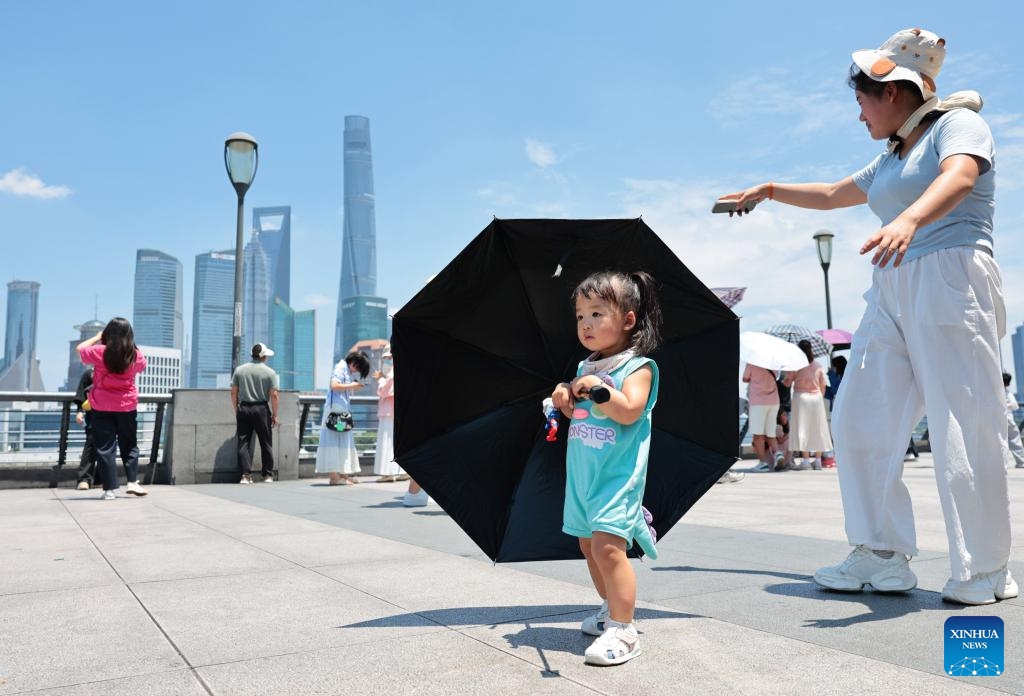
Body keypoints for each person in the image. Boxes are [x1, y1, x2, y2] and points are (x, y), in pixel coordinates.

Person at [720, 28, 1015, 605]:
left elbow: (960, 175)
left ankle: (985, 567)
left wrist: (909, 220)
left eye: (862, 100)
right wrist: (771, 189)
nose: (858, 115)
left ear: (895, 90)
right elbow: (833, 194)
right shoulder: (890, 155)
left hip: (952, 274)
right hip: (892, 285)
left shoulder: (958, 126)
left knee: (964, 420)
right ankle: (880, 554)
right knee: (858, 416)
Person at [550, 270, 661, 666]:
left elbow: (629, 410)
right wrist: (565, 395)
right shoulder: (586, 367)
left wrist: (596, 390)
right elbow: (576, 409)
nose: (586, 324)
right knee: (587, 547)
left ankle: (624, 627)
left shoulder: (639, 368)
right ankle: (607, 607)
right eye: (580, 316)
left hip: (617, 478)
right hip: (582, 478)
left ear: (628, 320)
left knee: (608, 548)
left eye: (597, 314)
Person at [76, 318, 148, 500]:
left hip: (102, 405)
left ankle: (109, 490)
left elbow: (80, 350)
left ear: (108, 334)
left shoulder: (101, 352)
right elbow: (143, 365)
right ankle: (132, 482)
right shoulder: (135, 355)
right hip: (127, 405)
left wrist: (98, 337)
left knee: (105, 447)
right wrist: (130, 343)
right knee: (129, 444)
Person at [316, 351, 370, 485]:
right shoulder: (340, 367)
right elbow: (334, 386)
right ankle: (335, 476)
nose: (356, 370)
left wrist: (354, 386)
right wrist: (352, 385)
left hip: (340, 411)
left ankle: (342, 474)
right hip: (335, 411)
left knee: (341, 438)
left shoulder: (345, 369)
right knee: (335, 439)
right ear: (353, 362)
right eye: (357, 367)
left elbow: (340, 388)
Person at [230, 343, 280, 484]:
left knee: (243, 443)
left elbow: (233, 393)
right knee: (266, 443)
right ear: (263, 356)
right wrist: (275, 415)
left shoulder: (239, 370)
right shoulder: (270, 373)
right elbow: (274, 395)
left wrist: (237, 410)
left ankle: (245, 476)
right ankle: (268, 475)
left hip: (244, 408)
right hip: (261, 409)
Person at [789, 340, 833, 471]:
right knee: (818, 428)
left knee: (803, 428)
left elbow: (787, 381)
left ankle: (806, 461)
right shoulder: (818, 365)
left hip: (801, 397)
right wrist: (818, 396)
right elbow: (823, 385)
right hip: (816, 398)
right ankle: (818, 461)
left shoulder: (796, 365)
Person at [372, 346, 407, 482]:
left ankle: (388, 473)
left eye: (389, 358)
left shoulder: (393, 372)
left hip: (388, 411)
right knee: (396, 442)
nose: (387, 360)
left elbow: (384, 392)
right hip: (397, 411)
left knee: (387, 442)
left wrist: (380, 379)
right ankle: (402, 471)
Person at [742, 363, 780, 472]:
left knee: (758, 435)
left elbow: (745, 378)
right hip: (773, 401)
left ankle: (763, 463)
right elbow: (776, 376)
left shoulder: (752, 362)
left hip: (758, 402)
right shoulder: (772, 361)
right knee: (770, 432)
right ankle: (778, 454)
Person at [72, 366, 101, 490]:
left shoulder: (114, 372)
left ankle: (101, 479)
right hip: (93, 414)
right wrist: (79, 411)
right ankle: (84, 479)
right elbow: (81, 393)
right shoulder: (90, 373)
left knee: (108, 447)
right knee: (91, 445)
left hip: (112, 413)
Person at [1003, 373, 1024, 469]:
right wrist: (1004, 407)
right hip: (1007, 419)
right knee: (1015, 440)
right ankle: (1021, 462)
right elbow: (1015, 405)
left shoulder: (993, 391)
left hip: (996, 418)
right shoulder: (1006, 392)